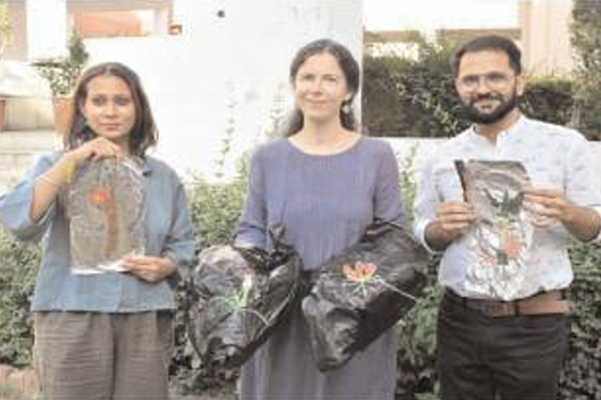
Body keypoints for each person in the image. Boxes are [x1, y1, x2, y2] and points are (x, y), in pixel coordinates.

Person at [413, 35, 601, 400]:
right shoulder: (441, 156)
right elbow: (423, 230)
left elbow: (595, 224)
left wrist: (568, 211)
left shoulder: (565, 145)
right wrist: (441, 229)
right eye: (470, 80)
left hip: (535, 320)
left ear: (520, 82)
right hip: (459, 319)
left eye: (495, 77)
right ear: (458, 87)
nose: (482, 88)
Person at [0, 62, 195, 400]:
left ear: (138, 108)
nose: (110, 111)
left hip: (143, 317)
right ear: (82, 108)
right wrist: (71, 161)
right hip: (71, 315)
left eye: (122, 101)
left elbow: (183, 245)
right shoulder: (55, 166)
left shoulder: (163, 178)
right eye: (99, 101)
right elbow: (19, 219)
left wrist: (167, 265)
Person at [235, 38, 406, 399]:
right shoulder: (267, 158)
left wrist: (343, 291)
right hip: (282, 316)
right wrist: (248, 266)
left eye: (329, 79)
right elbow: (250, 228)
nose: (316, 88)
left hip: (352, 316)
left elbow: (393, 237)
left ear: (348, 92)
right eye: (307, 77)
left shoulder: (377, 155)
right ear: (295, 86)